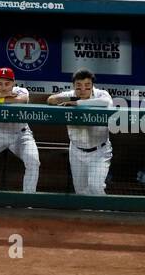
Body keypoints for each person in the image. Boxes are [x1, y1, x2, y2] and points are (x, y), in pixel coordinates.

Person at [47, 68, 115, 196]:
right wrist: (65, 98)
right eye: (79, 86)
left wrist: (77, 103)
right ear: (74, 86)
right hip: (76, 151)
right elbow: (50, 99)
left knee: (95, 187)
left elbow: (107, 102)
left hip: (99, 151)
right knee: (81, 192)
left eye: (87, 86)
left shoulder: (101, 94)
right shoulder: (71, 95)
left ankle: (103, 214)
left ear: (92, 85)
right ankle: (87, 216)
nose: (83, 89)